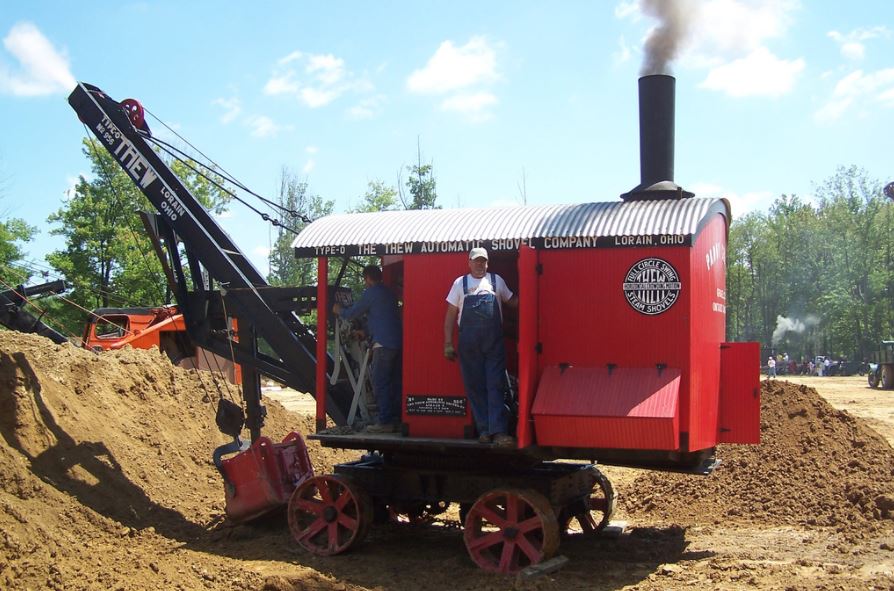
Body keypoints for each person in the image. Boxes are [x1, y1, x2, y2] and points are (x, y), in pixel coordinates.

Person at [443, 247, 518, 447]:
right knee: (475, 387)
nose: (479, 264)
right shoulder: (460, 283)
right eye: (476, 261)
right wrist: (448, 343)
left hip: (493, 342)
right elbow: (451, 314)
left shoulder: (496, 281)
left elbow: (514, 302)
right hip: (468, 344)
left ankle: (499, 432)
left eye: (483, 261)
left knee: (495, 385)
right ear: (469, 262)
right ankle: (485, 430)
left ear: (488, 263)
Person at [333, 264, 402, 434]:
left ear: (368, 278)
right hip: (396, 343)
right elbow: (382, 317)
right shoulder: (388, 293)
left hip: (383, 345)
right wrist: (365, 331)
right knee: (393, 382)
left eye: (365, 280)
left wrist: (338, 310)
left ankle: (385, 421)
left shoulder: (371, 293)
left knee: (380, 382)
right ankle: (395, 418)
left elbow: (353, 313)